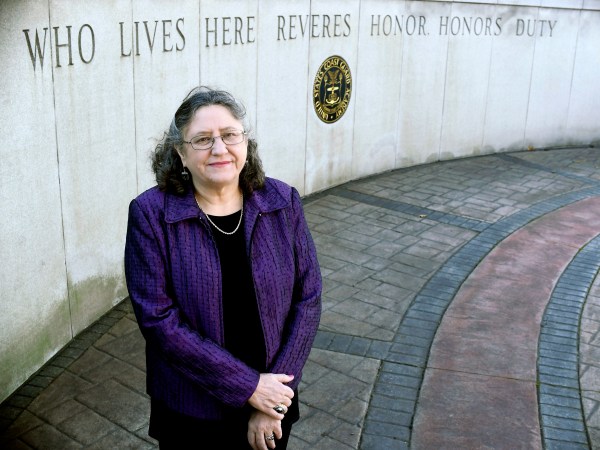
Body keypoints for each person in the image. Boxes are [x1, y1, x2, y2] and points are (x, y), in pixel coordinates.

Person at [124, 86, 322, 449]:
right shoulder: (151, 215)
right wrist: (250, 387)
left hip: (274, 403)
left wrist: (274, 398)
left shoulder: (282, 202)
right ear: (180, 154)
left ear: (245, 143)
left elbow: (308, 299)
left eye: (229, 135)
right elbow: (158, 320)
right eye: (202, 139)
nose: (219, 148)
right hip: (193, 411)